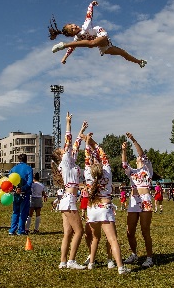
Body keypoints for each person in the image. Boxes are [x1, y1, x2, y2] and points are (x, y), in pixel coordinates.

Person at [82, 133, 130, 274]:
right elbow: (103, 155)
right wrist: (93, 143)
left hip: (92, 209)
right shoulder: (107, 172)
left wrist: (87, 143)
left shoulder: (88, 174)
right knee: (113, 239)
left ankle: (91, 263)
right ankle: (120, 267)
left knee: (95, 237)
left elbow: (86, 157)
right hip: (105, 208)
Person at [49, 1, 147, 68]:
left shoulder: (85, 25)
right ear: (72, 34)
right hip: (103, 46)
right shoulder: (77, 38)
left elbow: (89, 14)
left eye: (72, 25)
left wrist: (91, 4)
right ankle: (63, 45)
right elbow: (71, 49)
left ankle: (139, 61)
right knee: (94, 45)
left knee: (122, 53)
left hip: (102, 35)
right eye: (72, 29)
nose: (74, 27)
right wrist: (64, 58)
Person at [51, 112, 88, 270]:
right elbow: (68, 141)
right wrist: (68, 123)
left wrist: (81, 130)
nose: (63, 149)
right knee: (79, 231)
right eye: (61, 150)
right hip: (69, 200)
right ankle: (72, 260)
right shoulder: (65, 161)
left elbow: (76, 144)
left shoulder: (70, 160)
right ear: (60, 156)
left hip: (67, 199)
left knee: (68, 233)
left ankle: (63, 261)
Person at [122, 133, 154, 268]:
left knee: (145, 230)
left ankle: (149, 257)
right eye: (138, 158)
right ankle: (134, 254)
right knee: (130, 231)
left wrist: (133, 140)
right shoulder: (132, 172)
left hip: (145, 199)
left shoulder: (147, 169)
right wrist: (123, 151)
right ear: (135, 162)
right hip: (134, 201)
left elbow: (141, 153)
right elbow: (124, 164)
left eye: (141, 158)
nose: (139, 158)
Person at [9, 154, 33, 235]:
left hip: (16, 193)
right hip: (24, 193)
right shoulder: (29, 169)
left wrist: (15, 189)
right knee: (23, 212)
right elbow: (29, 182)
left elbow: (10, 181)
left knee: (15, 211)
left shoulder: (13, 169)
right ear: (26, 159)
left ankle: (12, 230)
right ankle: (21, 230)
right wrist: (22, 188)